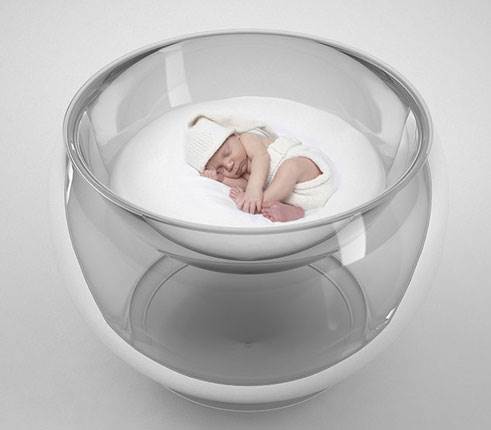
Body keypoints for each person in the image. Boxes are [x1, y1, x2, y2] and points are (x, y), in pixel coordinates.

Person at [184, 115, 335, 222]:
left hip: (308, 170)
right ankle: (295, 212)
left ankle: (255, 206)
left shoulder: (248, 139)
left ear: (234, 135)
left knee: (290, 168)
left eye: (227, 153)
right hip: (295, 194)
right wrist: (221, 179)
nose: (229, 165)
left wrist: (253, 190)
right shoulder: (241, 173)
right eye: (220, 169)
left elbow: (261, 158)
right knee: (266, 193)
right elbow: (246, 184)